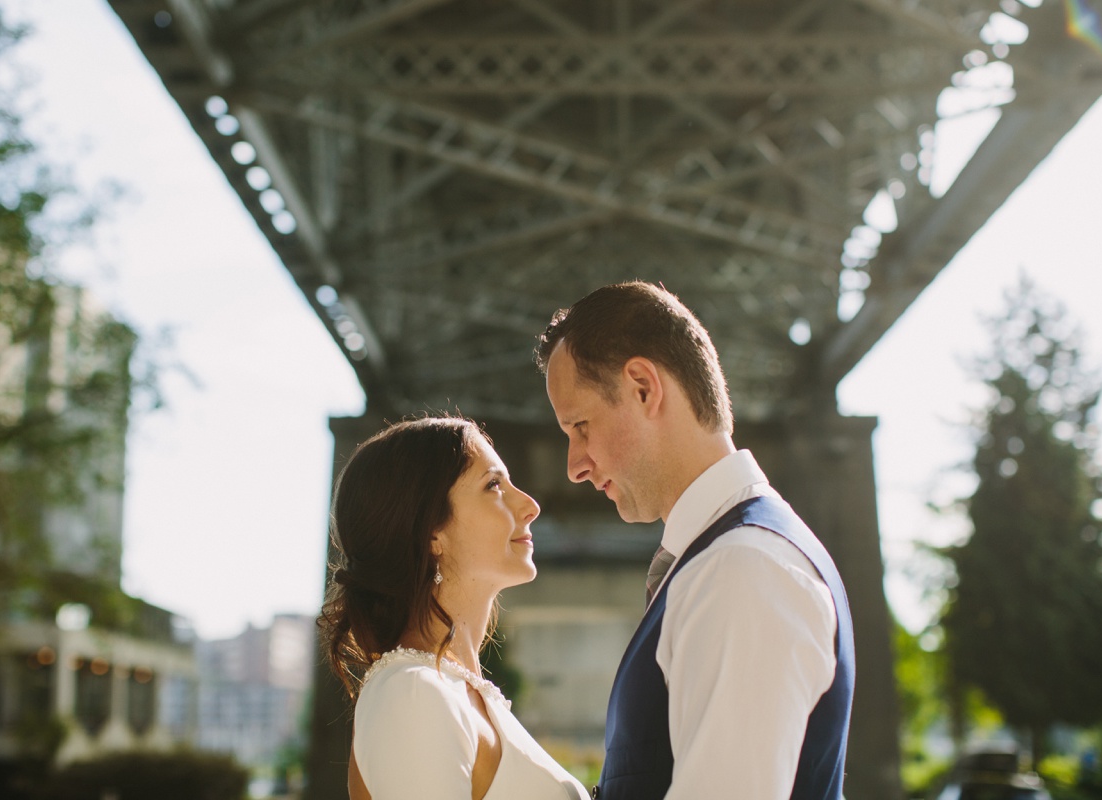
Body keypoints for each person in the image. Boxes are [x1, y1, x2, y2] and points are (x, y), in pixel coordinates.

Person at [535, 281, 855, 800]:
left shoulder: (744, 570)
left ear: (643, 387)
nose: (574, 466)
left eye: (580, 426)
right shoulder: (732, 559)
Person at [320, 416, 587, 800]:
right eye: (493, 485)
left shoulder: (455, 691)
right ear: (431, 532)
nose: (530, 505)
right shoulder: (414, 693)